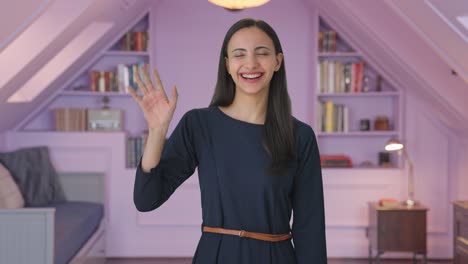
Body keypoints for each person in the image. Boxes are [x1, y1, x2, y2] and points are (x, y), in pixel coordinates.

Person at [131, 18, 327, 264]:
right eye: (239, 54)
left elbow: (310, 228)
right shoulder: (198, 125)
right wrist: (157, 132)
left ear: (277, 61)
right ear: (227, 64)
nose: (251, 63)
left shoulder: (300, 136)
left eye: (262, 53)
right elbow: (146, 199)